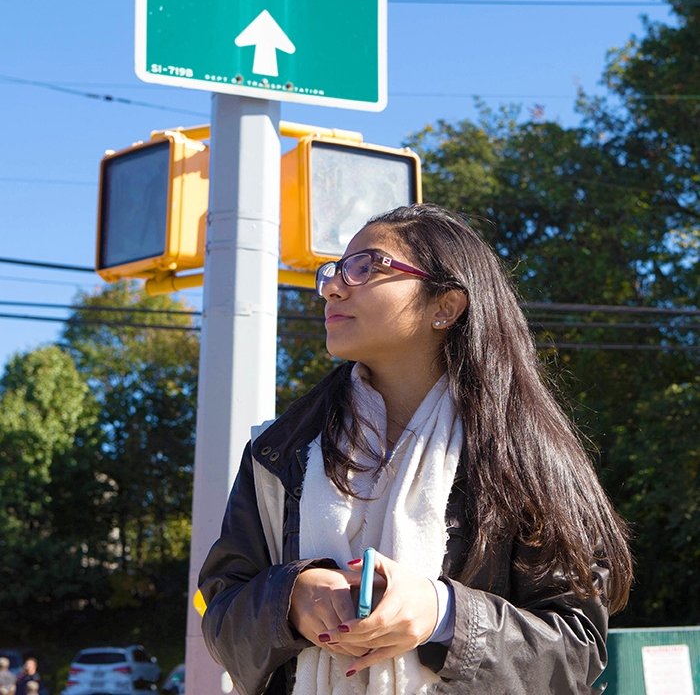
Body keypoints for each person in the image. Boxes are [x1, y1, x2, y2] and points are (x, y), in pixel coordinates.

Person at [199, 203, 633, 695]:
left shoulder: (525, 457)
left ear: (445, 306)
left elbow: (576, 650)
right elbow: (222, 610)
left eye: (366, 267)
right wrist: (291, 600)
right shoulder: (278, 452)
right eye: (335, 271)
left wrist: (441, 615)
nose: (333, 287)